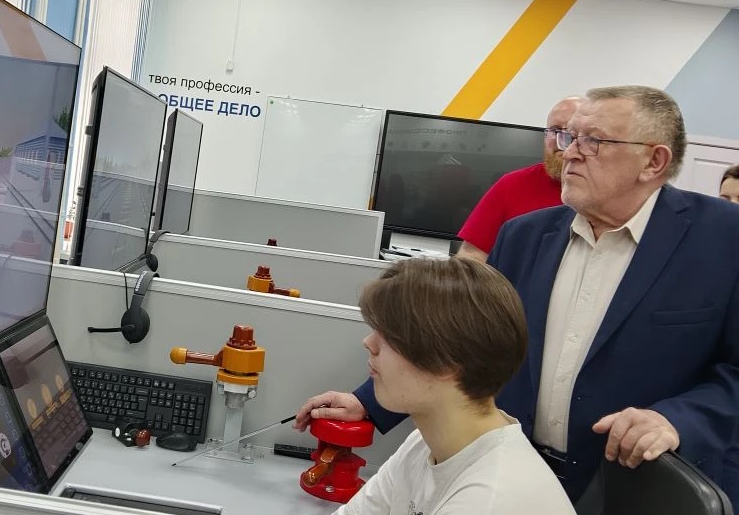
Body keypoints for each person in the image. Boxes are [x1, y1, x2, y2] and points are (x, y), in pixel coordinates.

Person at [296, 86, 739, 507]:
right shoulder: (524, 235)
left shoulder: (723, 240)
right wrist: (368, 403)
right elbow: (464, 339)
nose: (569, 152)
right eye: (568, 137)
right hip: (514, 473)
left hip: (639, 486)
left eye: (593, 140)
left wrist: (679, 419)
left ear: (654, 161)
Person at [331, 257, 574, 515]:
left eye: (390, 335)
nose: (369, 343)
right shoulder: (425, 444)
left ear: (448, 362)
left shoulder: (490, 499)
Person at [456, 96, 581, 262]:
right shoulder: (512, 185)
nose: (561, 141)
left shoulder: (606, 194)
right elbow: (471, 256)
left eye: (571, 132)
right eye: (555, 131)